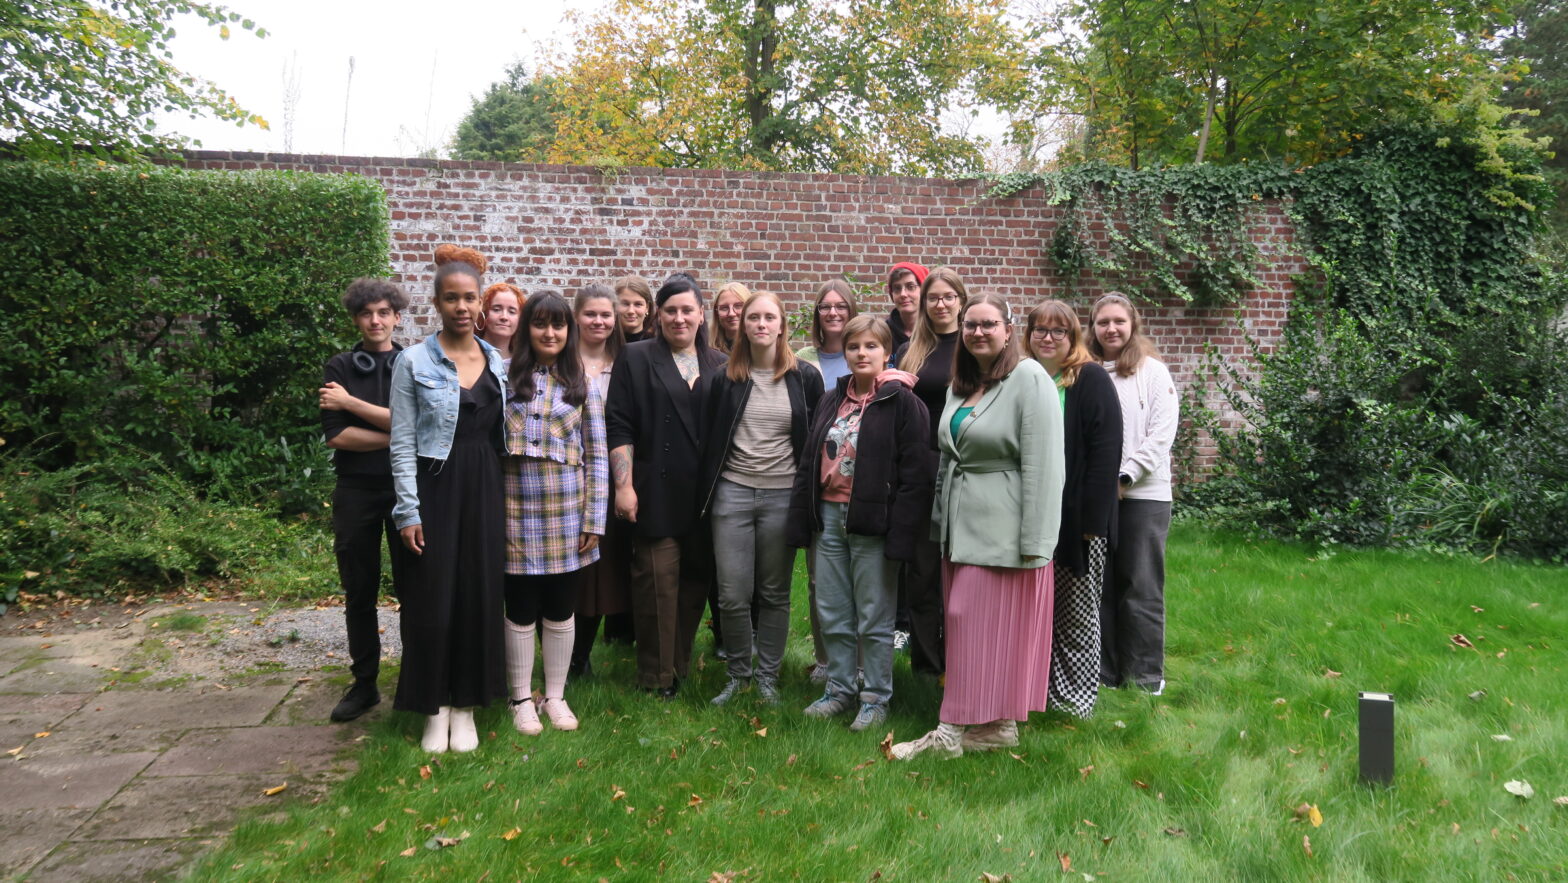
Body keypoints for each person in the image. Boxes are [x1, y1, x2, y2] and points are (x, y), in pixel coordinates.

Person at [892, 293, 1064, 760]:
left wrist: (1038, 542)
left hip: (1006, 532)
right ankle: (998, 728)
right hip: (960, 528)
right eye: (971, 326)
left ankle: (949, 733)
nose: (978, 333)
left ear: (1009, 330)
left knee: (971, 623)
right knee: (978, 629)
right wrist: (938, 525)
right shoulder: (962, 382)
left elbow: (1046, 466)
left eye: (989, 325)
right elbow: (949, 457)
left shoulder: (1030, 379)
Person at [389, 244, 510, 753]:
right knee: (433, 602)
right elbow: (401, 441)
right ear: (435, 303)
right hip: (435, 483)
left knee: (479, 598)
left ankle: (466, 706)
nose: (463, 307)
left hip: (485, 485)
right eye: (451, 299)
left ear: (481, 303)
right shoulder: (412, 361)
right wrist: (408, 510)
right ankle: (433, 708)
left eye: (470, 299)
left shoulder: (496, 359)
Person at [787, 315, 932, 733]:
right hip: (828, 518)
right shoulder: (833, 399)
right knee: (832, 609)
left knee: (873, 614)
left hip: (873, 521)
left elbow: (915, 475)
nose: (862, 353)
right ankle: (839, 688)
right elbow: (809, 461)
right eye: (854, 347)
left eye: (871, 346)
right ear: (845, 353)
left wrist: (902, 535)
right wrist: (802, 518)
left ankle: (874, 698)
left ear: (887, 352)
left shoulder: (902, 402)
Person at [698, 291, 824, 706]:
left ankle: (767, 676)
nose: (761, 324)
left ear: (783, 324)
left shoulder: (804, 377)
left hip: (782, 495)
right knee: (732, 593)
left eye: (769, 317)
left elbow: (815, 442)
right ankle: (738, 674)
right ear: (743, 325)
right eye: (753, 317)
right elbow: (709, 440)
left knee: (774, 592)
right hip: (732, 493)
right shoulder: (724, 378)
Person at [606, 273, 727, 698]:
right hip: (654, 488)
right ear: (659, 315)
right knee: (656, 581)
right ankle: (654, 678)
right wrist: (624, 486)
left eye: (687, 310)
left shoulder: (720, 363)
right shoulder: (637, 358)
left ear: (700, 314)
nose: (679, 318)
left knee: (695, 583)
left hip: (706, 494)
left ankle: (678, 667)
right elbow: (618, 422)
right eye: (671, 310)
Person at [500, 291, 607, 735]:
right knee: (521, 606)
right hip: (514, 511)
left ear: (569, 331)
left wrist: (594, 520)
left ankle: (557, 695)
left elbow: (598, 455)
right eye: (541, 324)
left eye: (558, 325)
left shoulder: (583, 383)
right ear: (528, 329)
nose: (550, 333)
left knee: (562, 608)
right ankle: (521, 698)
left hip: (567, 513)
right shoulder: (505, 379)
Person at [319, 278, 412, 723]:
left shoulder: (414, 363)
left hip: (406, 489)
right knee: (359, 591)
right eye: (366, 314)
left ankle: (415, 678)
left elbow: (422, 424)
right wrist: (398, 434)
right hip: (355, 492)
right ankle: (365, 684)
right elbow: (338, 436)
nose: (375, 321)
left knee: (414, 588)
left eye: (383, 313)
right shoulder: (338, 365)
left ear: (396, 316)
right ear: (356, 318)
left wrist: (351, 402)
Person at [1025, 299, 1122, 718]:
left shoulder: (1089, 379)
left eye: (1058, 331)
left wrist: (1091, 524)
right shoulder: (1023, 379)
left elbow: (1105, 454)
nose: (1048, 338)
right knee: (1038, 612)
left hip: (1078, 522)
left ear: (1073, 337)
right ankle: (1039, 692)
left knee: (1077, 613)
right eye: (1040, 330)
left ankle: (1075, 701)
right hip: (1033, 518)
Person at [1088, 292, 1178, 695]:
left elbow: (1162, 434)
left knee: (1139, 586)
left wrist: (1125, 478)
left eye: (1118, 321)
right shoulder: (1087, 372)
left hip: (1144, 497)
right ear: (1092, 328)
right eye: (1102, 322)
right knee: (1099, 587)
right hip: (1098, 497)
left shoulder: (1152, 372)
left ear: (1132, 325)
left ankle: (1144, 677)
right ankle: (1105, 673)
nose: (1111, 329)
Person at [889, 266, 969, 676]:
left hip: (963, 469)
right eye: (933, 298)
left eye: (947, 297)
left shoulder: (974, 346)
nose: (940, 304)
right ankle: (926, 664)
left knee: (958, 569)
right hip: (920, 468)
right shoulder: (911, 350)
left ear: (960, 300)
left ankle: (962, 662)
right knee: (921, 571)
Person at [570, 283, 635, 677]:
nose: (599, 321)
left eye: (605, 315)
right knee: (570, 566)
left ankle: (581, 655)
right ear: (577, 316)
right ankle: (563, 647)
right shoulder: (561, 360)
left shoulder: (626, 362)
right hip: (564, 476)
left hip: (611, 477)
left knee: (602, 569)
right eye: (591, 314)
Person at [794, 279, 858, 391]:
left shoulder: (863, 356)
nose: (833, 313)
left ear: (851, 311)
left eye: (841, 306)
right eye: (825, 307)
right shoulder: (802, 359)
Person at [884, 261, 928, 352]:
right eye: (897, 288)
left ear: (924, 291)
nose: (903, 294)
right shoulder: (882, 333)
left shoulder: (936, 331)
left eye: (910, 287)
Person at [478, 282, 525, 361]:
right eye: (496, 310)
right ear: (484, 312)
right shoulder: (467, 355)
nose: (504, 317)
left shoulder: (523, 363)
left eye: (512, 312)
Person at [710, 281, 751, 355]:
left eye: (738, 306)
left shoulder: (760, 349)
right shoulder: (706, 349)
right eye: (724, 308)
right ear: (716, 313)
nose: (731, 313)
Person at [614, 275, 656, 342]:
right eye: (625, 304)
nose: (631, 311)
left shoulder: (658, 344)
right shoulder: (604, 344)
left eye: (638, 304)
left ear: (647, 307)